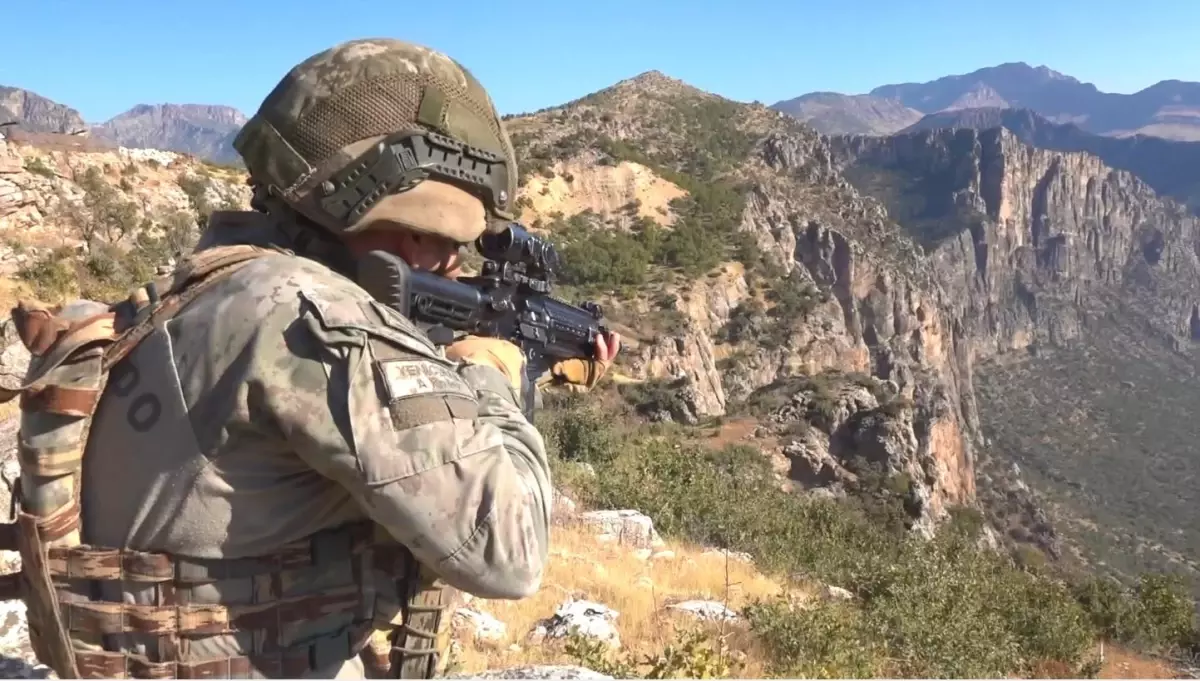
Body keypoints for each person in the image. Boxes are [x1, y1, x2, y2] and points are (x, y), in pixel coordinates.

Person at [17, 38, 619, 679]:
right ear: (390, 206)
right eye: (443, 238)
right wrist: (494, 375)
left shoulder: (221, 282)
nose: (452, 262)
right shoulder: (319, 318)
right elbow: (509, 551)